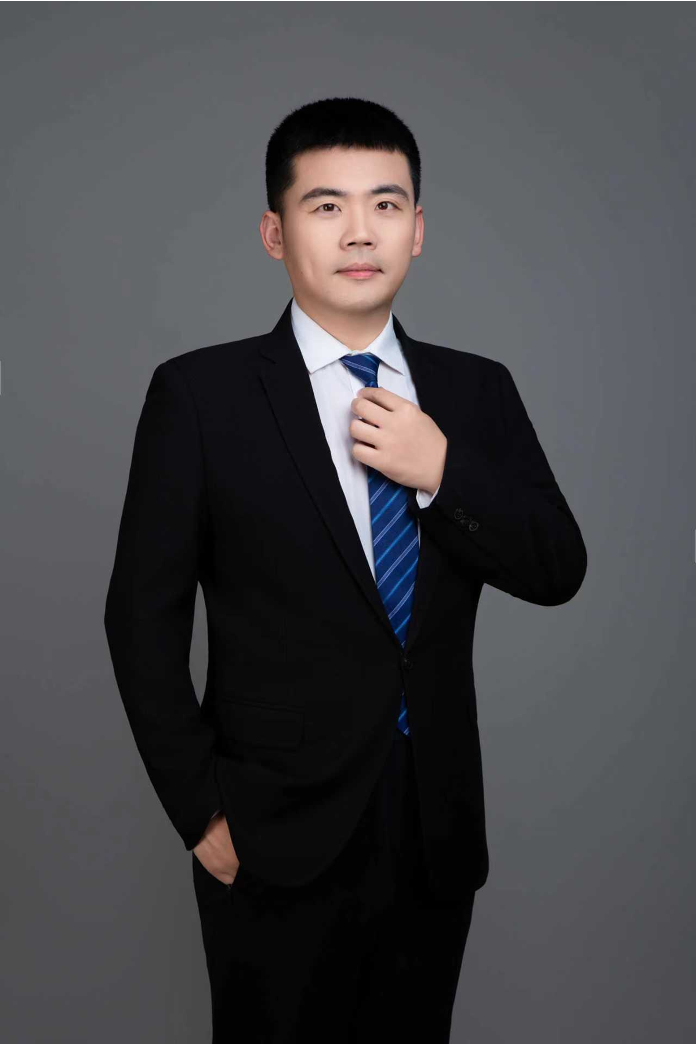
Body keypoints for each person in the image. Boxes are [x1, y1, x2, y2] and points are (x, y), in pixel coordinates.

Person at [104, 96, 587, 1043]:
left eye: (385, 204)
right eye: (327, 206)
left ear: (418, 230)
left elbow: (556, 565)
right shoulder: (200, 395)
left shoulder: (475, 391)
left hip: (433, 826)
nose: (360, 231)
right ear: (274, 234)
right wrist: (200, 813)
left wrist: (442, 472)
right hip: (269, 827)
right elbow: (140, 619)